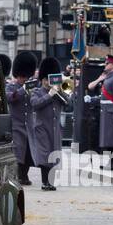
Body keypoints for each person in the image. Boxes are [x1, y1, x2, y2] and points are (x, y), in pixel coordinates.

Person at [29, 57, 65, 191]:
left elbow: (68, 103)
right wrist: (49, 95)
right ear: (43, 80)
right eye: (46, 80)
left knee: (54, 154)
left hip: (55, 128)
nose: (48, 82)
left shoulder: (58, 92)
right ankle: (45, 182)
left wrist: (60, 92)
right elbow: (35, 104)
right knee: (45, 155)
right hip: (42, 128)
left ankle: (51, 182)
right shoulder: (37, 92)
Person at [5, 51, 37, 186]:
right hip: (16, 125)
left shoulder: (33, 88)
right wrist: (24, 89)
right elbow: (10, 98)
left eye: (26, 77)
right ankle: (18, 175)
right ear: (18, 75)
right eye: (23, 77)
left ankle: (25, 175)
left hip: (29, 125)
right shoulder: (10, 86)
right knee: (18, 152)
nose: (24, 79)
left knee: (29, 153)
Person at [87, 55, 113, 158]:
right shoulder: (109, 77)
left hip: (112, 112)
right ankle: (111, 161)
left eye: (107, 63)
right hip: (106, 111)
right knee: (109, 139)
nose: (105, 65)